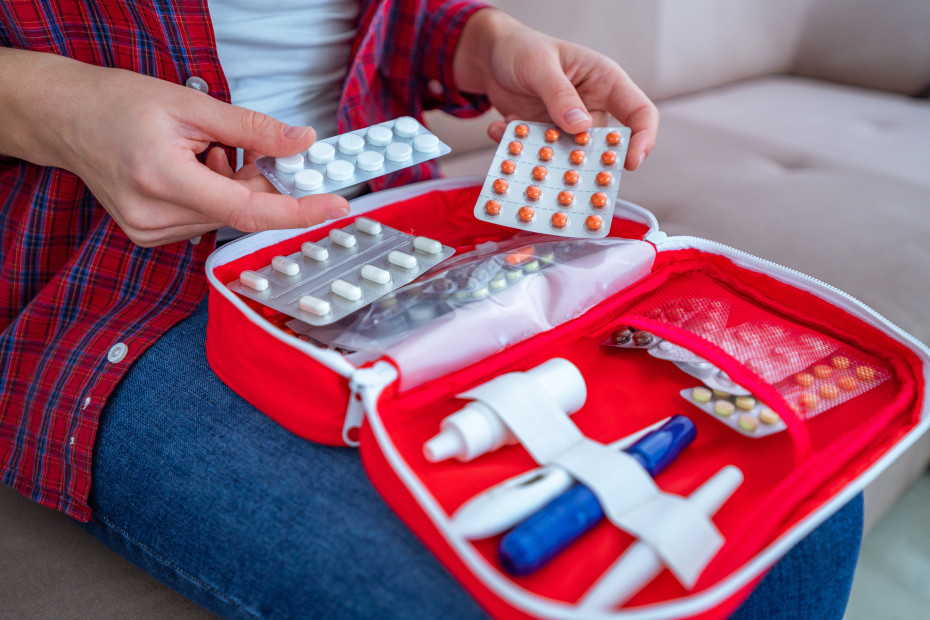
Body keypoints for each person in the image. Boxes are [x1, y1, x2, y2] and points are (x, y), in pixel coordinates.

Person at [0, 1, 860, 618]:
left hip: (407, 222)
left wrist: (479, 41)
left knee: (800, 489)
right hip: (120, 286)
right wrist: (53, 107)